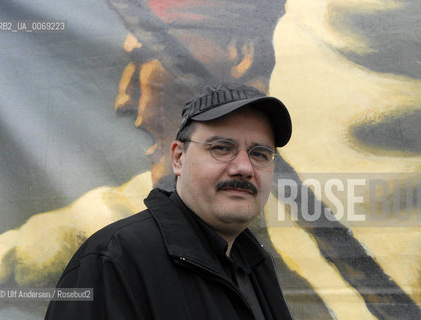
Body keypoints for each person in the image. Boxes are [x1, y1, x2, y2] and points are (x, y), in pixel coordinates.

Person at [45, 83, 293, 320]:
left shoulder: (256, 264)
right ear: (177, 158)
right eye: (221, 148)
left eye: (260, 154)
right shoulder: (113, 260)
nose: (243, 168)